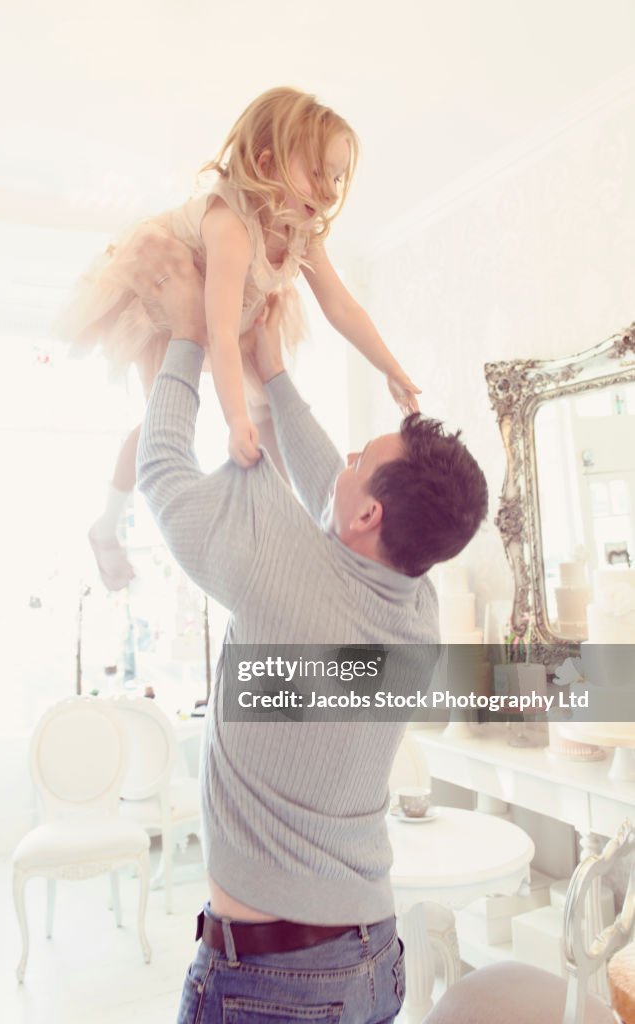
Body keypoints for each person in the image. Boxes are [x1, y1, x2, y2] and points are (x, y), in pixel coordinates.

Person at [133, 240, 488, 1024]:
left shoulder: (283, 584)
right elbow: (337, 486)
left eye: (364, 456)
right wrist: (276, 373)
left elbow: (159, 471)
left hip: (274, 988)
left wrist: (191, 335)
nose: (348, 456)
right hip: (366, 961)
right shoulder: (416, 609)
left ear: (368, 516)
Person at [60, 86, 420, 590]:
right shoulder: (230, 224)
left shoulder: (301, 229)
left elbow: (341, 305)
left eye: (337, 176)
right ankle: (105, 527)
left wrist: (390, 366)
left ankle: (305, 528)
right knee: (159, 424)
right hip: (175, 298)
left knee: (267, 415)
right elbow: (220, 333)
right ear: (269, 165)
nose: (332, 189)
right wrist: (232, 420)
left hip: (242, 309)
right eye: (318, 172)